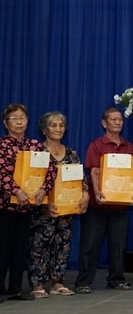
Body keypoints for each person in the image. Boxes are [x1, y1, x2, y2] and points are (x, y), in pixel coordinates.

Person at [75, 107, 133, 293]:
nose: (118, 122)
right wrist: (96, 191)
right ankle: (83, 282)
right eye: (113, 119)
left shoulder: (130, 146)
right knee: (90, 244)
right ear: (104, 123)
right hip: (98, 204)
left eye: (120, 119)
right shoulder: (96, 145)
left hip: (120, 204)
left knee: (118, 244)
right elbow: (94, 170)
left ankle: (116, 279)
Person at [29, 112, 89, 299]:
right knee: (40, 245)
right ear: (44, 129)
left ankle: (57, 282)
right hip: (43, 210)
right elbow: (31, 182)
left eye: (61, 125)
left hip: (67, 209)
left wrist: (85, 194)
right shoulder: (38, 153)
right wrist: (46, 204)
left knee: (62, 244)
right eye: (53, 125)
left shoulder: (71, 153)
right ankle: (37, 283)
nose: (58, 129)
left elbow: (80, 180)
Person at [0, 104, 56, 301]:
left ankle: (15, 288)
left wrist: (43, 189)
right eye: (14, 118)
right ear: (6, 123)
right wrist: (15, 190)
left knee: (20, 249)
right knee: (3, 248)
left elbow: (50, 170)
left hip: (27, 207)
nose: (19, 121)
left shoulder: (34, 145)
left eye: (22, 118)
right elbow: (2, 174)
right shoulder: (2, 145)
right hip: (5, 206)